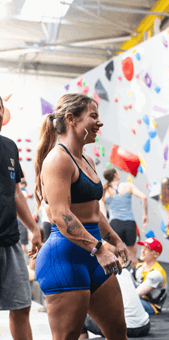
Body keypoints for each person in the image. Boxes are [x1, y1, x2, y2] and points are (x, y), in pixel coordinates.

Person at [34, 93, 131, 340]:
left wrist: (115, 240)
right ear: (71, 119)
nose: (99, 123)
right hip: (65, 259)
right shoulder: (57, 159)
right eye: (93, 116)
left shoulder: (87, 160)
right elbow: (60, 215)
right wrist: (99, 249)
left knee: (119, 333)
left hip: (94, 258)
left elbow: (93, 211)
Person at [0, 95, 42, 340]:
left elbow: (16, 192)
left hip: (11, 239)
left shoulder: (9, 146)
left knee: (21, 304)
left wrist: (33, 229)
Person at [79, 268, 151, 339]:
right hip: (144, 326)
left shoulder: (95, 274)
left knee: (79, 315)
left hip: (123, 329)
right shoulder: (124, 271)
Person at [101, 167, 148, 267]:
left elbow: (103, 213)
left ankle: (119, 280)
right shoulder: (127, 186)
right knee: (132, 257)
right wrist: (145, 215)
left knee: (117, 256)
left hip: (115, 224)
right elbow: (144, 197)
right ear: (115, 175)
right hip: (130, 224)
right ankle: (137, 279)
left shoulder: (104, 191)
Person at [132, 237, 168, 315]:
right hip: (140, 299)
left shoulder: (156, 273)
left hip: (151, 305)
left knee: (125, 303)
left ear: (156, 254)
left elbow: (134, 295)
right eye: (142, 248)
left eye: (147, 249)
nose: (142, 251)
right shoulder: (139, 267)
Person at [17, 178, 32, 252]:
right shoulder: (22, 192)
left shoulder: (20, 191)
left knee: (22, 240)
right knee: (22, 241)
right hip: (21, 220)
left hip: (19, 220)